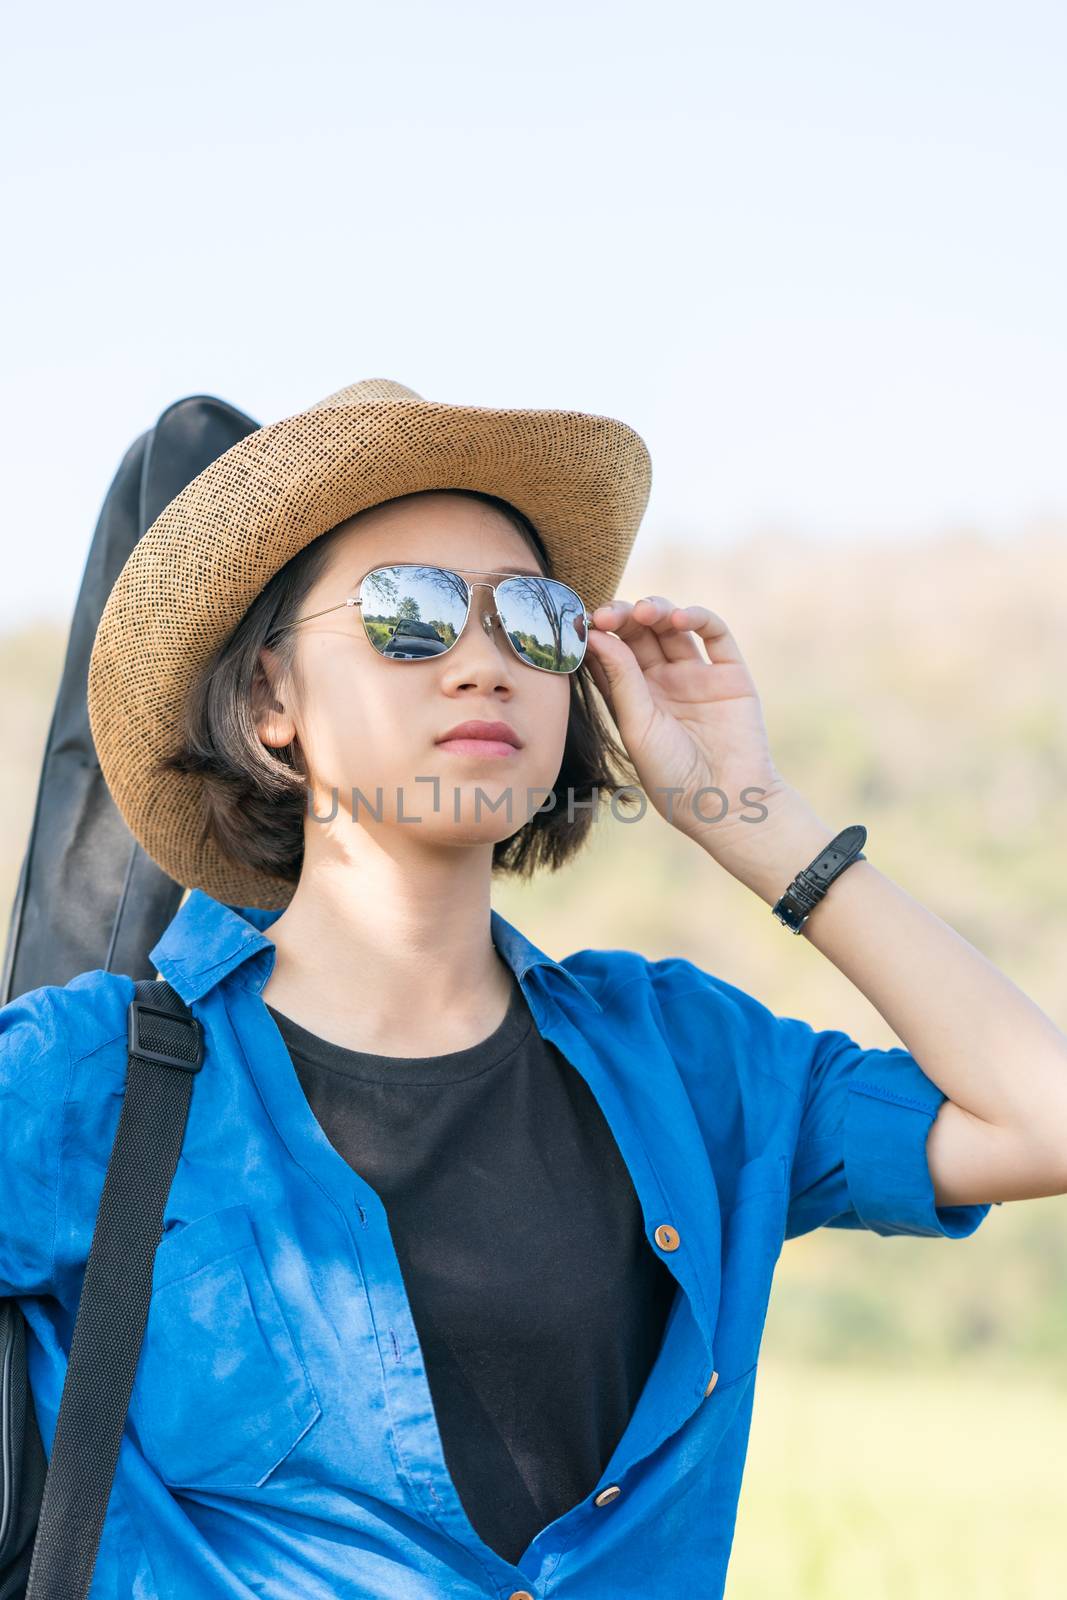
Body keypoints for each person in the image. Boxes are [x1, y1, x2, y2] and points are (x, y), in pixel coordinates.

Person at [3, 377, 1065, 1600]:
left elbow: (1032, 1117)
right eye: (407, 613)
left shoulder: (683, 1060)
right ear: (270, 700)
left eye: (536, 622)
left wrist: (756, 819)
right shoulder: (83, 1078)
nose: (482, 662)